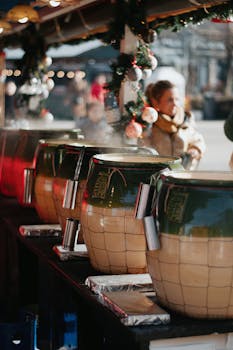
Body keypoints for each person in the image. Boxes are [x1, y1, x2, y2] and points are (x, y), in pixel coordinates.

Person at [144, 80, 206, 170]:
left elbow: (197, 139)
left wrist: (195, 150)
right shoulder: (148, 124)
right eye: (170, 100)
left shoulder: (186, 120)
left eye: (176, 99)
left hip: (183, 177)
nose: (175, 104)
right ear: (156, 102)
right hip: (158, 178)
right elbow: (143, 151)